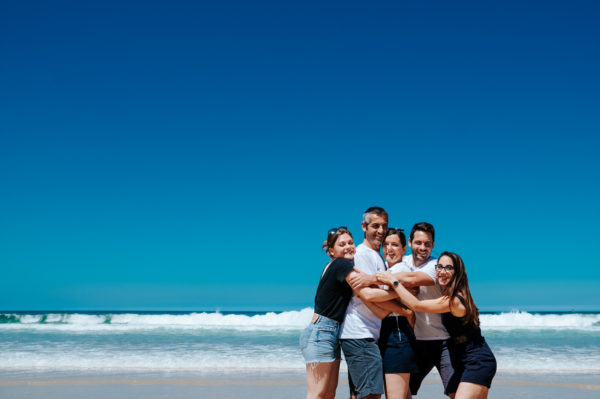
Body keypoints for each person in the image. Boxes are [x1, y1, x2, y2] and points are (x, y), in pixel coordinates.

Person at [376, 252, 497, 399]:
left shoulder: (455, 300)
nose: (442, 272)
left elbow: (416, 305)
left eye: (448, 268)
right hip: (461, 358)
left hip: (477, 361)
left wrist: (393, 281)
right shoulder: (449, 295)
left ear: (457, 272)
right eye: (439, 267)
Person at [389, 222, 455, 397]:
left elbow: (413, 279)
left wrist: (383, 278)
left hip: (443, 341)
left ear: (433, 245)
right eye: (418, 242)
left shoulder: (436, 265)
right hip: (415, 342)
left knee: (455, 391)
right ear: (409, 243)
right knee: (403, 391)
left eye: (427, 243)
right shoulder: (402, 261)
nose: (422, 247)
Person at [299, 227, 360, 399]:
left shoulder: (335, 266)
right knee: (318, 394)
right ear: (332, 251)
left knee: (327, 394)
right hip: (321, 333)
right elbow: (362, 288)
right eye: (342, 244)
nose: (348, 246)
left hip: (328, 332)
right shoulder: (342, 264)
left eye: (350, 242)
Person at [338, 207, 389, 399]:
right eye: (375, 226)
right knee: (371, 395)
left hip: (363, 335)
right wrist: (399, 293)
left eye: (384, 226)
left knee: (361, 394)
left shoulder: (376, 256)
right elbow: (368, 295)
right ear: (363, 226)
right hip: (360, 335)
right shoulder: (361, 254)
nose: (381, 231)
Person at [378, 228, 418, 399]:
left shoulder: (400, 271)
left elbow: (378, 300)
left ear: (404, 248)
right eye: (386, 244)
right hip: (394, 332)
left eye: (394, 245)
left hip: (397, 332)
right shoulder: (389, 269)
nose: (389, 249)